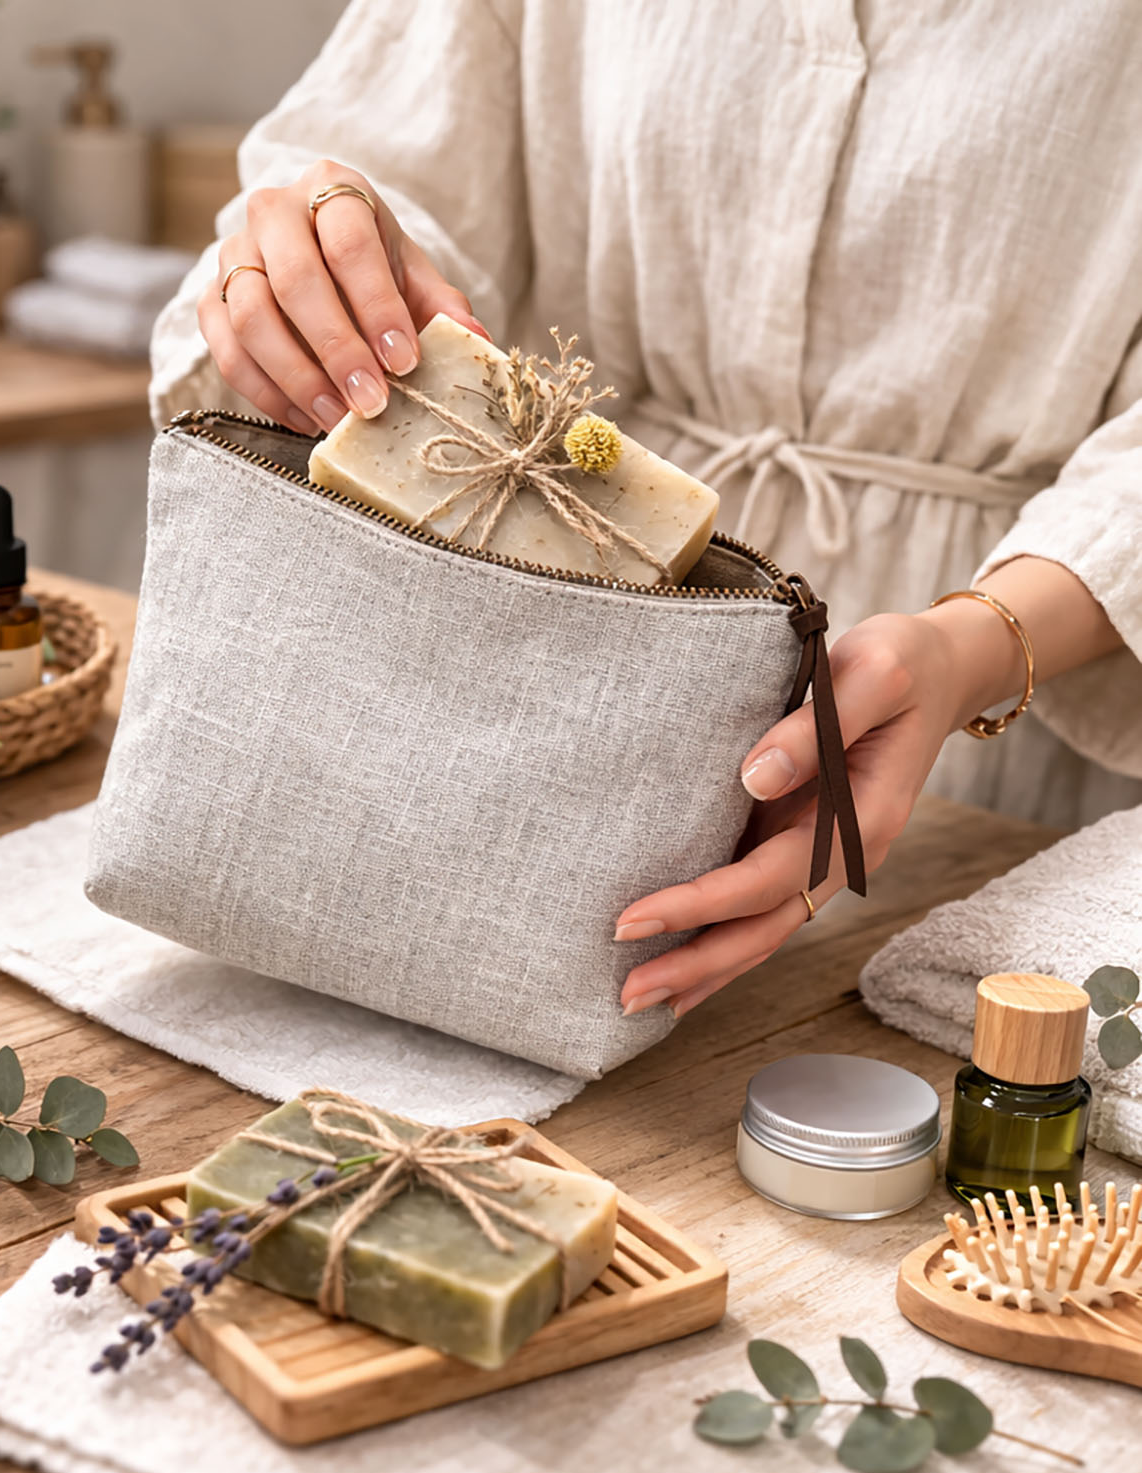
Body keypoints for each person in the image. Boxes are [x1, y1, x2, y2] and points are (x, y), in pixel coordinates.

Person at [148, 0, 1142, 1019]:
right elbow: (392, 155)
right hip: (537, 621)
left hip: (991, 718)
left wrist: (972, 650)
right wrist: (324, 250)